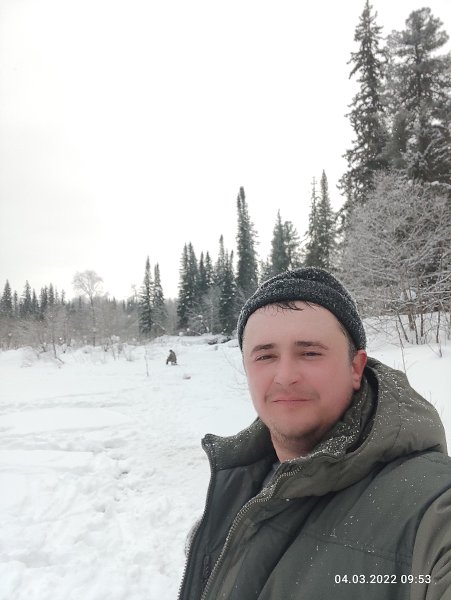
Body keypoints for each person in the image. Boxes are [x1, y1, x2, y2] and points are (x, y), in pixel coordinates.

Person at [178, 267, 451, 600]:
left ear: (355, 367)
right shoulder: (237, 487)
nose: (285, 376)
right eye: (265, 356)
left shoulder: (430, 506)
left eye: (310, 353)